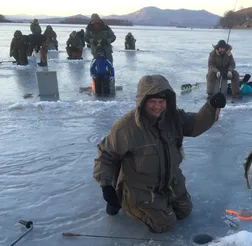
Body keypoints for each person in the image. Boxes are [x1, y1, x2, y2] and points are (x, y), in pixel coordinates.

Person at [93, 75, 227, 233]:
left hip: (170, 181)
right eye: (152, 102)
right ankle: (125, 201)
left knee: (184, 211)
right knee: (164, 223)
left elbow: (196, 124)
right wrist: (106, 186)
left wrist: (211, 107)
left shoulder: (174, 118)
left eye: (161, 102)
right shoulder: (126, 127)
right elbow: (107, 155)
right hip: (142, 186)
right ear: (142, 101)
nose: (157, 107)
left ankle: (161, 201)